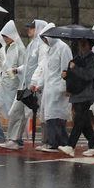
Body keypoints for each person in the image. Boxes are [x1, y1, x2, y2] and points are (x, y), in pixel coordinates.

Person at [0, 19, 48, 150]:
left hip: (34, 87)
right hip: (25, 85)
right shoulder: (32, 44)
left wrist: (35, 82)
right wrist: (17, 70)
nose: (29, 30)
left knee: (42, 114)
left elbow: (42, 65)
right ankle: (14, 140)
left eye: (32, 28)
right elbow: (28, 65)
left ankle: (49, 141)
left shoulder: (42, 46)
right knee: (17, 112)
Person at [30, 23, 72, 152]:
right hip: (49, 89)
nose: (44, 41)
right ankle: (54, 142)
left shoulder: (63, 48)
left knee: (56, 116)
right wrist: (39, 84)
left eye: (45, 38)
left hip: (58, 89)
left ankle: (57, 143)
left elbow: (66, 69)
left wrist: (66, 88)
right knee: (50, 116)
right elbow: (46, 70)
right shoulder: (49, 50)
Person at [0, 20, 25, 149]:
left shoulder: (20, 49)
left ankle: (17, 140)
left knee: (13, 113)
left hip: (12, 86)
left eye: (7, 36)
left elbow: (25, 66)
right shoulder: (2, 50)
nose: (5, 39)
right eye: (3, 36)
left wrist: (16, 71)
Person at [58, 38, 94, 157]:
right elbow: (74, 75)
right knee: (84, 121)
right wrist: (66, 76)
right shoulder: (78, 58)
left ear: (89, 45)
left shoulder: (92, 59)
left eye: (83, 43)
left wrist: (74, 68)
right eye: (80, 43)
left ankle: (71, 146)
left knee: (79, 120)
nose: (81, 46)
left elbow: (88, 75)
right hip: (77, 93)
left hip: (87, 93)